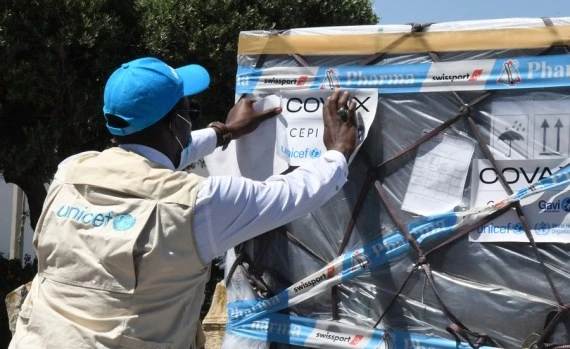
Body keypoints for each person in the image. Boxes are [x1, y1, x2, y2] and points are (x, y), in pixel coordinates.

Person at [9, 57, 357, 349]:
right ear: (177, 123)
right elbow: (294, 193)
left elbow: (150, 161)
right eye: (188, 109)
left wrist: (224, 132)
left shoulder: (71, 171)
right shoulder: (200, 204)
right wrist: (337, 152)